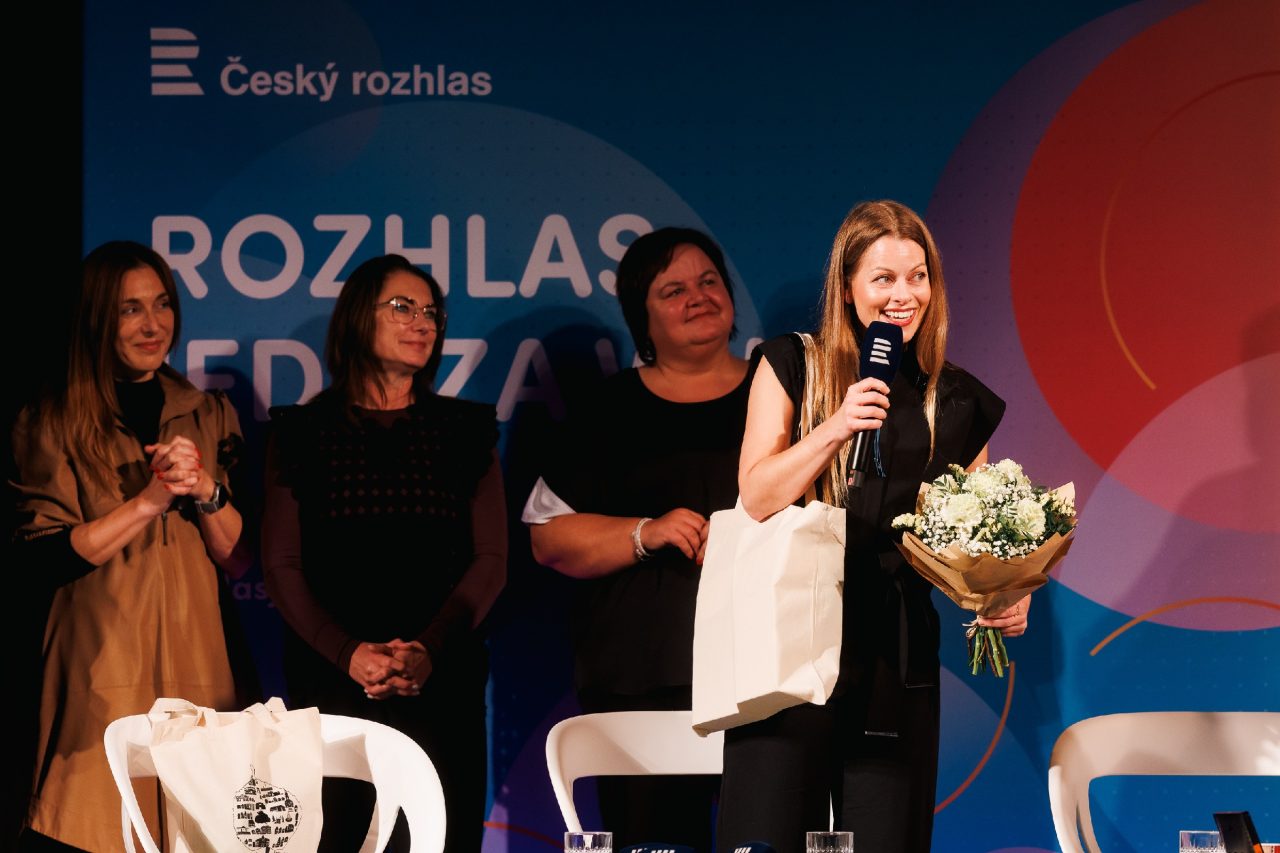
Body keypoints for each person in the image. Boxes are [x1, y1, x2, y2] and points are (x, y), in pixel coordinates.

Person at [716, 201, 1025, 853]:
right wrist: (836, 426)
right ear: (848, 286)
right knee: (767, 836)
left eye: (918, 277)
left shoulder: (956, 399)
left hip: (895, 654)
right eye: (883, 278)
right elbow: (756, 495)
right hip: (788, 644)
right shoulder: (791, 364)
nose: (902, 295)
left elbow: (970, 541)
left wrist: (1000, 592)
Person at [11, 241, 251, 851]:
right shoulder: (53, 419)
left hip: (199, 660)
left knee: (198, 829)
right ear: (97, 318)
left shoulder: (209, 414)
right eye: (130, 309)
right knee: (97, 826)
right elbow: (42, 558)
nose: (153, 325)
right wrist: (148, 501)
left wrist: (204, 488)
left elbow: (239, 559)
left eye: (162, 304)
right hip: (100, 663)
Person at [262, 254, 505, 853]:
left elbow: (492, 559)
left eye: (431, 312)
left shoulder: (465, 430)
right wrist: (348, 654)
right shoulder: (301, 432)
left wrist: (428, 650)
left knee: (441, 837)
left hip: (440, 680)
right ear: (356, 318)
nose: (422, 322)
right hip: (332, 681)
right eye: (402, 307)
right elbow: (281, 565)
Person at [524, 227, 749, 851]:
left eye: (708, 281)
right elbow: (547, 536)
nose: (698, 297)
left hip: (763, 678)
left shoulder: (783, 391)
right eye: (673, 290)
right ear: (640, 318)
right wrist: (646, 533)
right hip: (641, 682)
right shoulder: (607, 410)